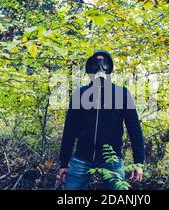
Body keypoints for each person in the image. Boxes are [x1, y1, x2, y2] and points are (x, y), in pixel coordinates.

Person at [57, 50, 145, 190]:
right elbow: (69, 130)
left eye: (104, 64)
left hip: (112, 159)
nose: (100, 68)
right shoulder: (79, 94)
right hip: (82, 157)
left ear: (109, 68)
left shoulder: (121, 94)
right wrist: (64, 163)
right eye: (96, 64)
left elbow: (134, 129)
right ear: (90, 68)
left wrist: (139, 163)